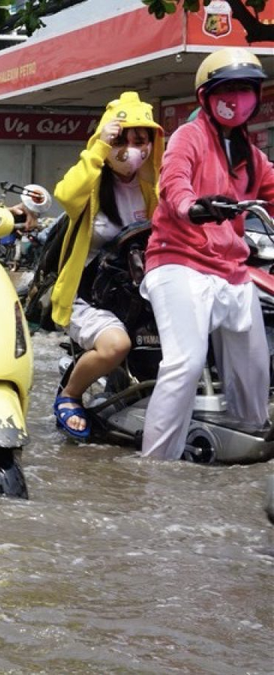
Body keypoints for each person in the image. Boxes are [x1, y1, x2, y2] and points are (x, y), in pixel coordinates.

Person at [140, 47, 272, 460]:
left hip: (232, 269)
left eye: (244, 90)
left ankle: (250, 452)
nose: (236, 99)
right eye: (226, 89)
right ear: (206, 97)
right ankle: (154, 469)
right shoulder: (188, 136)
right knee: (186, 363)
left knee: (256, 373)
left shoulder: (251, 155)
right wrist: (193, 206)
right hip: (178, 259)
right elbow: (173, 181)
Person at [49, 92, 164, 439]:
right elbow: (65, 196)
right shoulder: (92, 182)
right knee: (116, 347)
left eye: (139, 139)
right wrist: (99, 148)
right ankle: (69, 395)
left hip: (145, 292)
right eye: (121, 138)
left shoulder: (157, 183)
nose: (130, 147)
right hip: (90, 293)